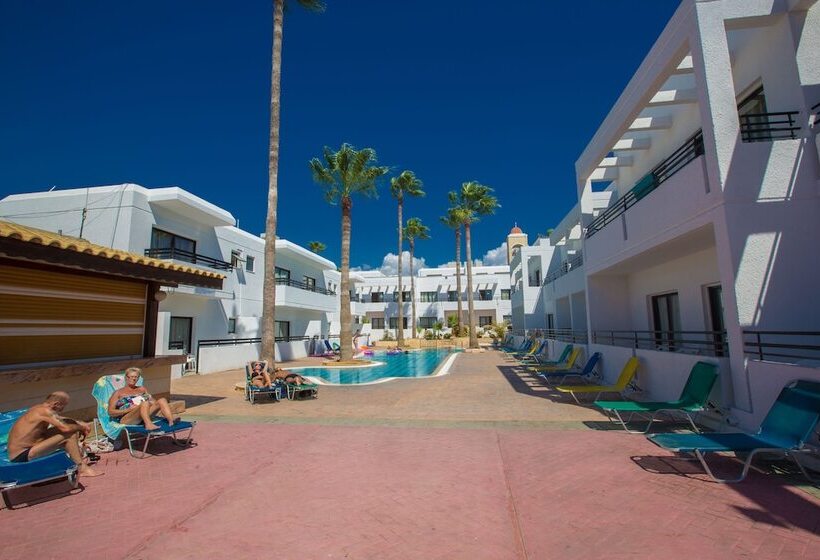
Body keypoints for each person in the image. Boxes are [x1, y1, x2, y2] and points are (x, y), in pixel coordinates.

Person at [6, 391, 102, 477]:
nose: (63, 409)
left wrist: (79, 422)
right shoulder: (45, 411)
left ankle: (75, 456)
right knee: (69, 435)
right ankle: (82, 469)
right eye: (63, 406)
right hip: (22, 455)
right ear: (56, 404)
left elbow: (59, 418)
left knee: (67, 425)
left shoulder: (38, 408)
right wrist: (81, 427)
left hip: (24, 449)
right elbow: (66, 428)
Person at [108, 367, 176, 431]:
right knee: (144, 403)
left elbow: (154, 402)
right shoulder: (118, 393)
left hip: (143, 415)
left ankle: (171, 420)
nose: (133, 379)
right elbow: (110, 412)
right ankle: (148, 425)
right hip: (127, 418)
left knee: (162, 400)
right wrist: (128, 410)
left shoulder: (142, 389)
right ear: (126, 377)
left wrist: (150, 400)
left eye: (136, 377)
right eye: (131, 376)